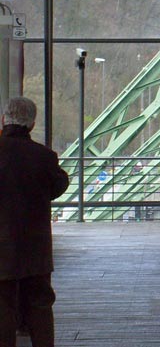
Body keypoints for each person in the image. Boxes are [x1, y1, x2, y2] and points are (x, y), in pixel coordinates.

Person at [0, 97, 69, 347]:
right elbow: (59, 185)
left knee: (3, 305)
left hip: (2, 246)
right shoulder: (44, 157)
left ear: (4, 120)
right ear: (31, 125)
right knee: (40, 303)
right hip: (35, 245)